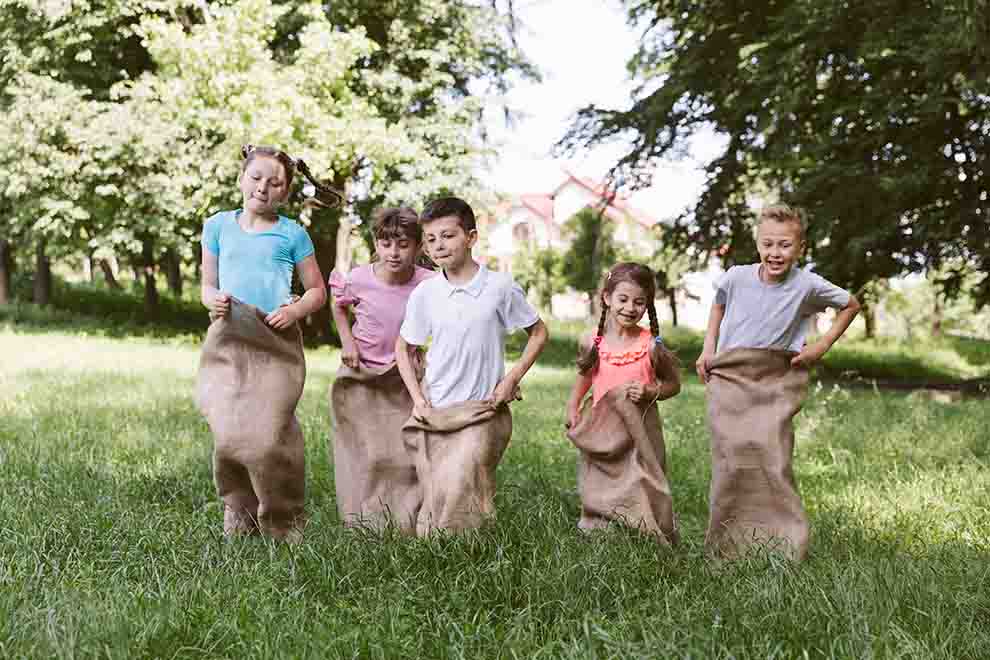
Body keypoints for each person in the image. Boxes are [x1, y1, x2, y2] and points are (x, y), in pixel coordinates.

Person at [696, 203, 861, 560]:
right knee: (730, 457)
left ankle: (780, 541)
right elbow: (718, 305)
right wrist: (708, 349)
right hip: (731, 376)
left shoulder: (807, 283)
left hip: (774, 379)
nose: (775, 253)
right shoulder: (737, 276)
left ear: (800, 248)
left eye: (785, 245)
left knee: (773, 456)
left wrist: (822, 346)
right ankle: (727, 543)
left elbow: (851, 304)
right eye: (768, 244)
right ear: (757, 243)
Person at [196, 144, 338, 541]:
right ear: (242, 179)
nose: (263, 188)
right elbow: (207, 284)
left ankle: (282, 520)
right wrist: (212, 298)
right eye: (256, 178)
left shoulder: (293, 234)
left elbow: (316, 291)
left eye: (275, 183)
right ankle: (238, 514)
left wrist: (294, 312)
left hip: (275, 340)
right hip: (229, 337)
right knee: (228, 432)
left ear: (286, 192)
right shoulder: (218, 226)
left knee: (269, 434)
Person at [395, 196, 548, 535]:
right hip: (437, 406)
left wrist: (511, 378)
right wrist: (419, 400)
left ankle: (461, 548)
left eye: (448, 236)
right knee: (441, 485)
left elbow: (538, 333)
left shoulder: (499, 287)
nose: (438, 246)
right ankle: (438, 544)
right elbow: (404, 346)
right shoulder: (426, 293)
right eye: (431, 239)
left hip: (482, 407)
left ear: (471, 236)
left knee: (465, 473)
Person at [328, 207, 436, 532]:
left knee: (402, 450)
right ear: (376, 244)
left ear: (418, 248)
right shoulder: (360, 278)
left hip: (403, 377)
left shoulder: (429, 283)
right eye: (386, 244)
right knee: (366, 451)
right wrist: (348, 342)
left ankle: (403, 518)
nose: (394, 252)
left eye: (403, 244)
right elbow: (339, 307)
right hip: (361, 373)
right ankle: (360, 517)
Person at [565, 262, 680, 542]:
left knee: (642, 482)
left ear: (648, 305)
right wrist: (573, 406)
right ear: (607, 298)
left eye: (639, 302)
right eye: (623, 299)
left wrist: (650, 391)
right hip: (603, 429)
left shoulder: (651, 345)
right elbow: (584, 375)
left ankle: (644, 529)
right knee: (599, 478)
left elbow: (673, 385)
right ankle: (599, 524)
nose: (630, 308)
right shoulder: (593, 341)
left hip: (640, 431)